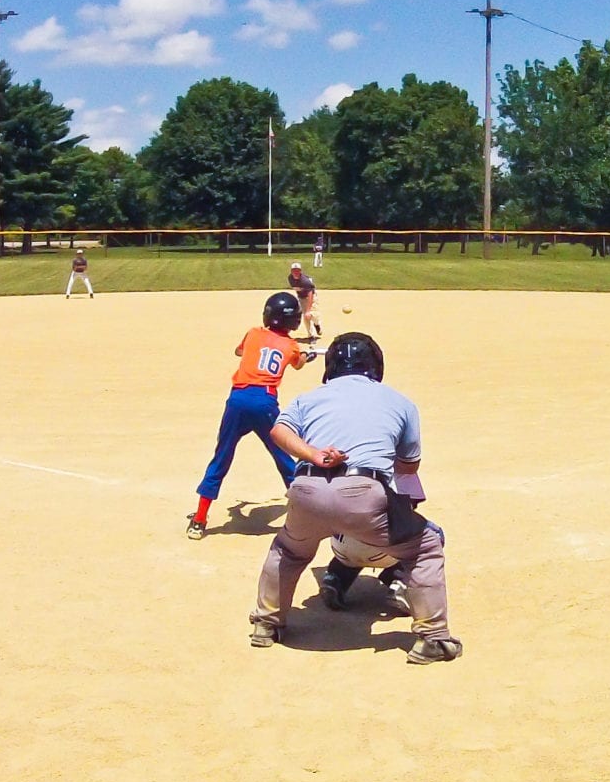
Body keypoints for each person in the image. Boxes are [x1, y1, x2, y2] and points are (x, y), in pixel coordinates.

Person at [249, 332, 462, 664]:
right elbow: (409, 466)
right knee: (424, 547)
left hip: (306, 489)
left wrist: (315, 454)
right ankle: (433, 638)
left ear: (331, 366)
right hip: (363, 492)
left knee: (288, 550)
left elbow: (279, 431)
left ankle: (266, 624)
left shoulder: (310, 397)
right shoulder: (400, 401)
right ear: (376, 366)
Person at [186, 292, 316, 538]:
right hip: (264, 403)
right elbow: (297, 363)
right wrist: (306, 356)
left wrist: (239, 510)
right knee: (283, 454)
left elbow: (240, 352)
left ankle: (199, 520)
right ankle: (306, 515)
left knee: (221, 457)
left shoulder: (254, 333)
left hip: (236, 400)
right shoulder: (291, 346)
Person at [288, 260, 322, 339]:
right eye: (294, 270)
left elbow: (310, 294)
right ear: (291, 271)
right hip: (302, 298)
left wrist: (308, 310)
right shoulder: (290, 278)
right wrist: (305, 311)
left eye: (297, 270)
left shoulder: (305, 281)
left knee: (314, 316)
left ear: (300, 271)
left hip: (311, 297)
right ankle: (310, 335)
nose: (295, 272)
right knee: (306, 317)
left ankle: (317, 324)